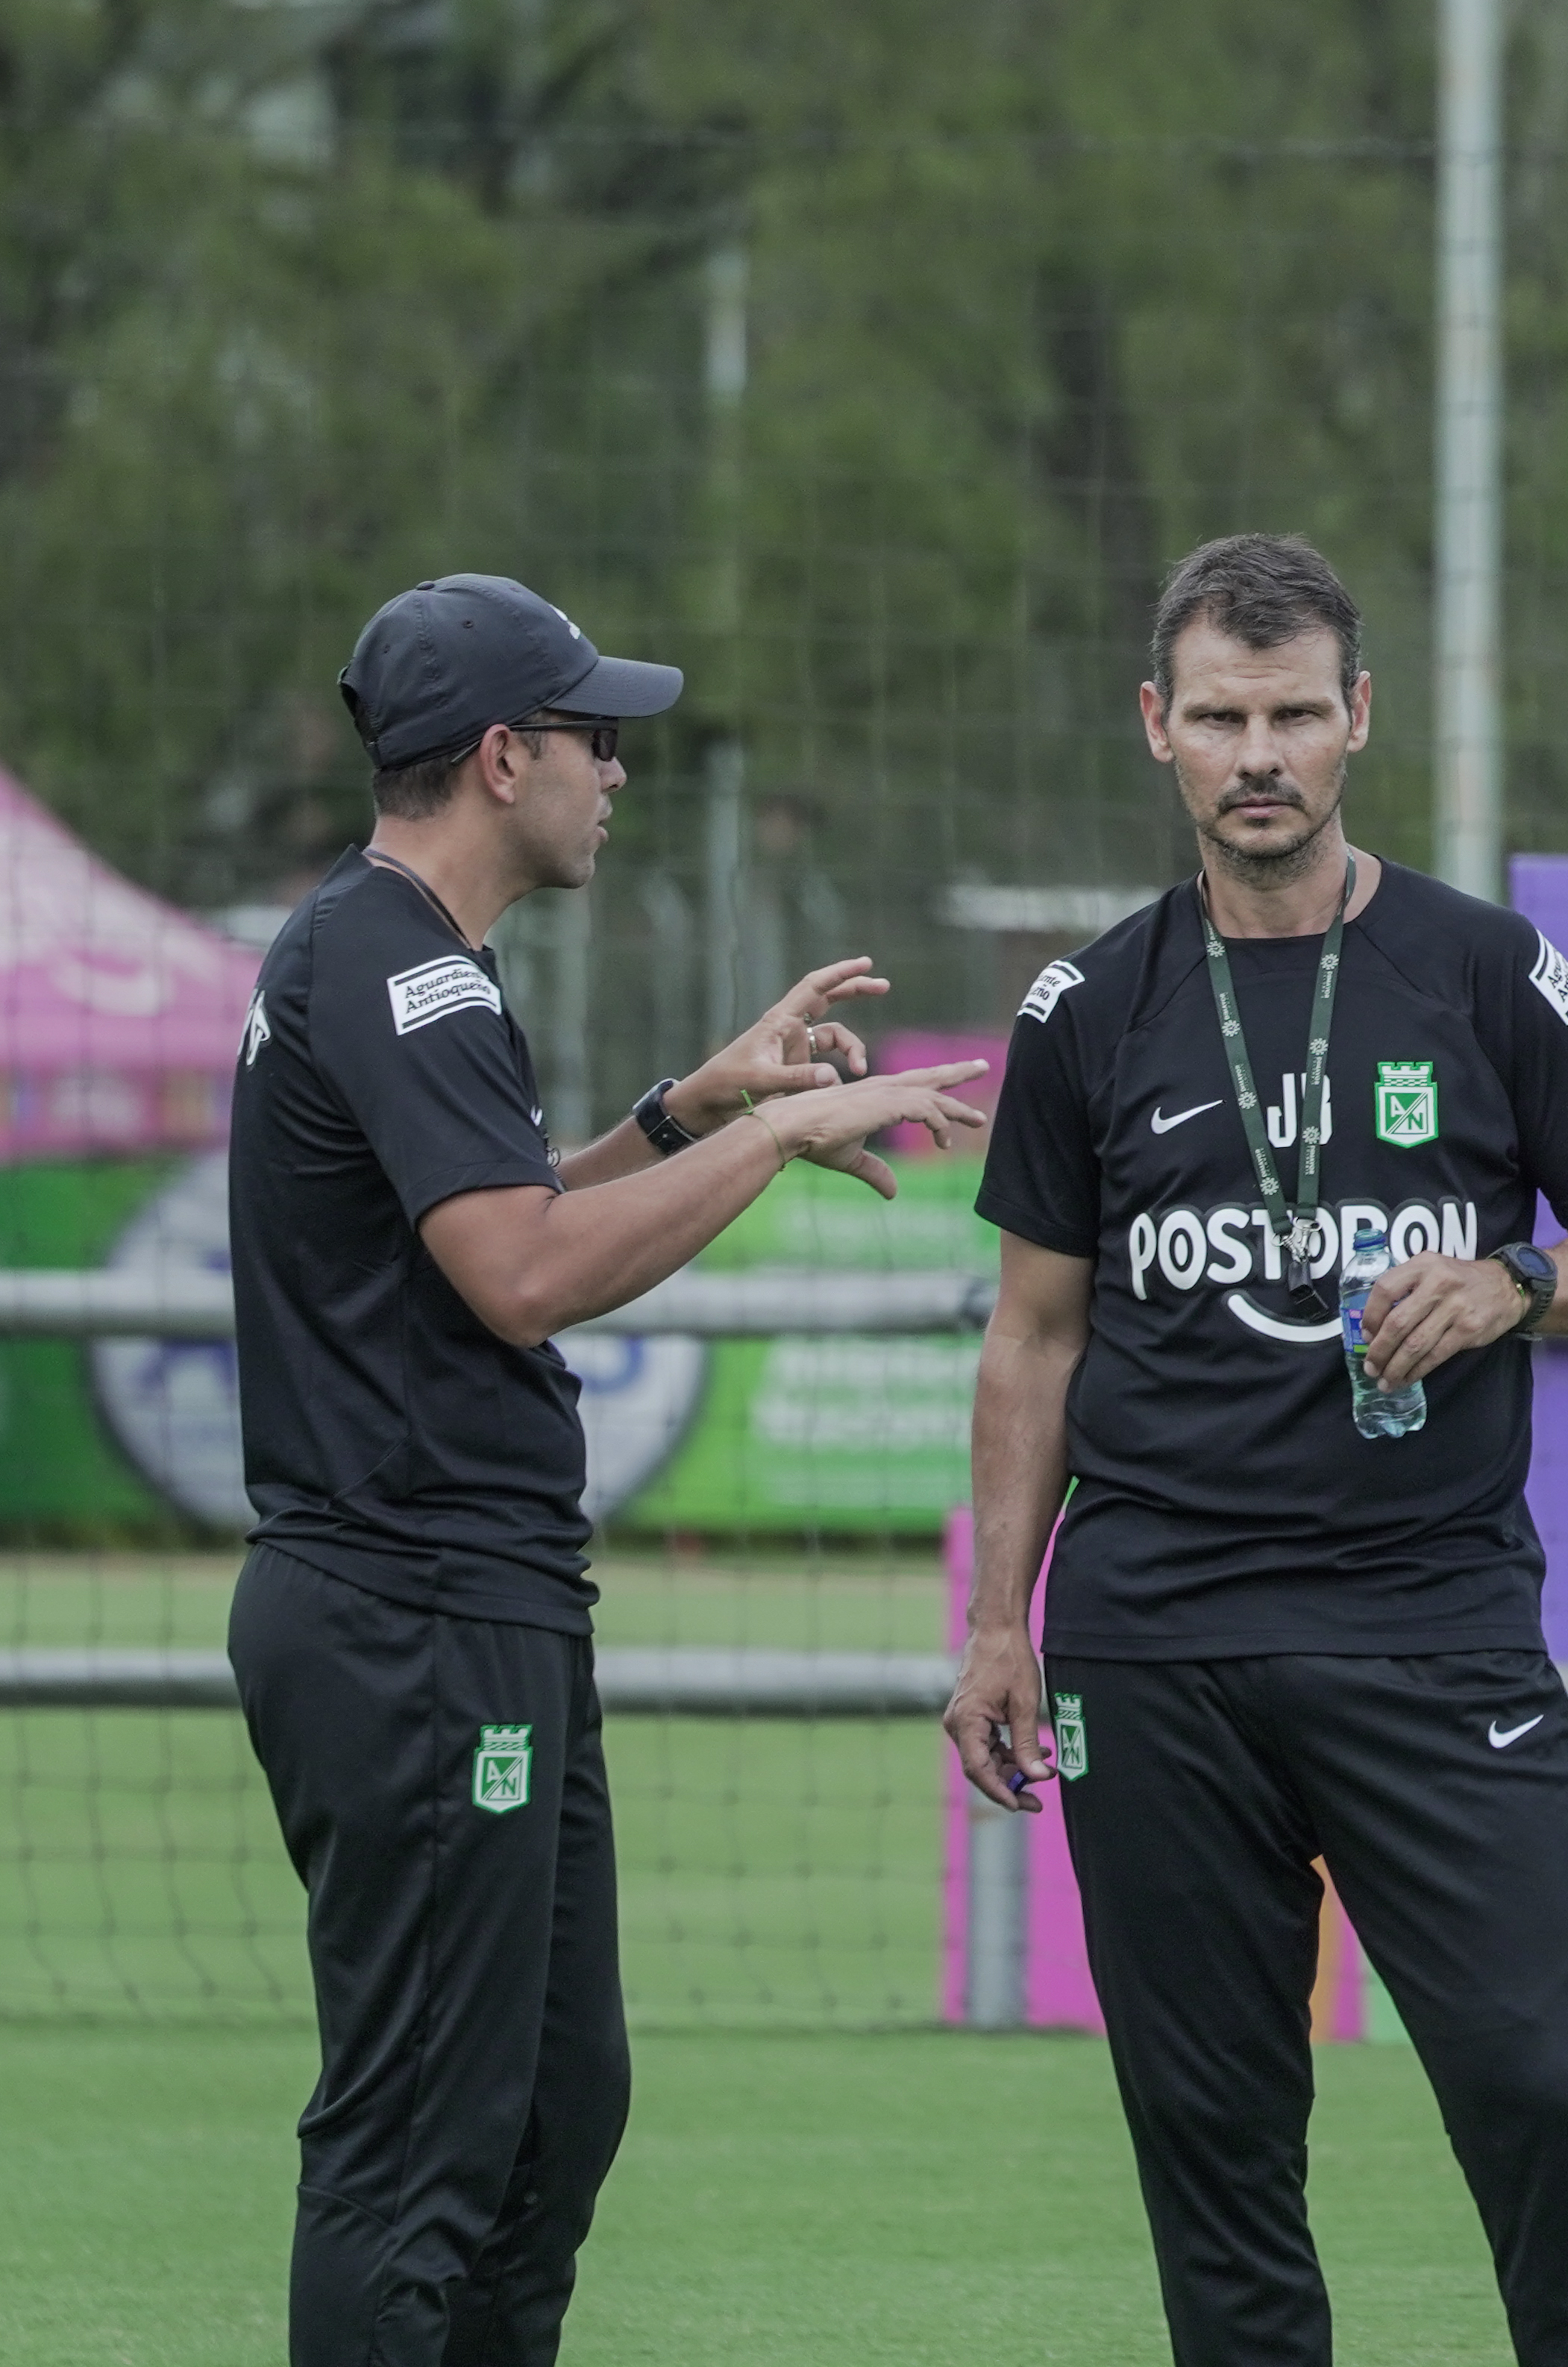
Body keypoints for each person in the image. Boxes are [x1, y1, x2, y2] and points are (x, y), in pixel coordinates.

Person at [944, 534, 1568, 2367]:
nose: (1258, 752)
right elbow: (1035, 1333)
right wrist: (997, 1624)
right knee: (1213, 2144)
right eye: (1220, 717)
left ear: (1358, 721)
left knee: (1534, 2086)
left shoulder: (1488, 970)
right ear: (1159, 730)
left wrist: (1517, 1278)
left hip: (1429, 1629)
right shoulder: (1087, 1010)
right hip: (1156, 1640)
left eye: (1293, 714)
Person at [227, 571, 988, 2367]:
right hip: (409, 1615)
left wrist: (688, 1113)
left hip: (472, 1613)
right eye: (595, 737)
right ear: (505, 758)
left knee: (554, 2113)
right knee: (418, 2147)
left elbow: (500, 1209)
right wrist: (792, 1128)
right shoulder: (397, 961)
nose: (617, 770)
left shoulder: (403, 958)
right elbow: (526, 1274)